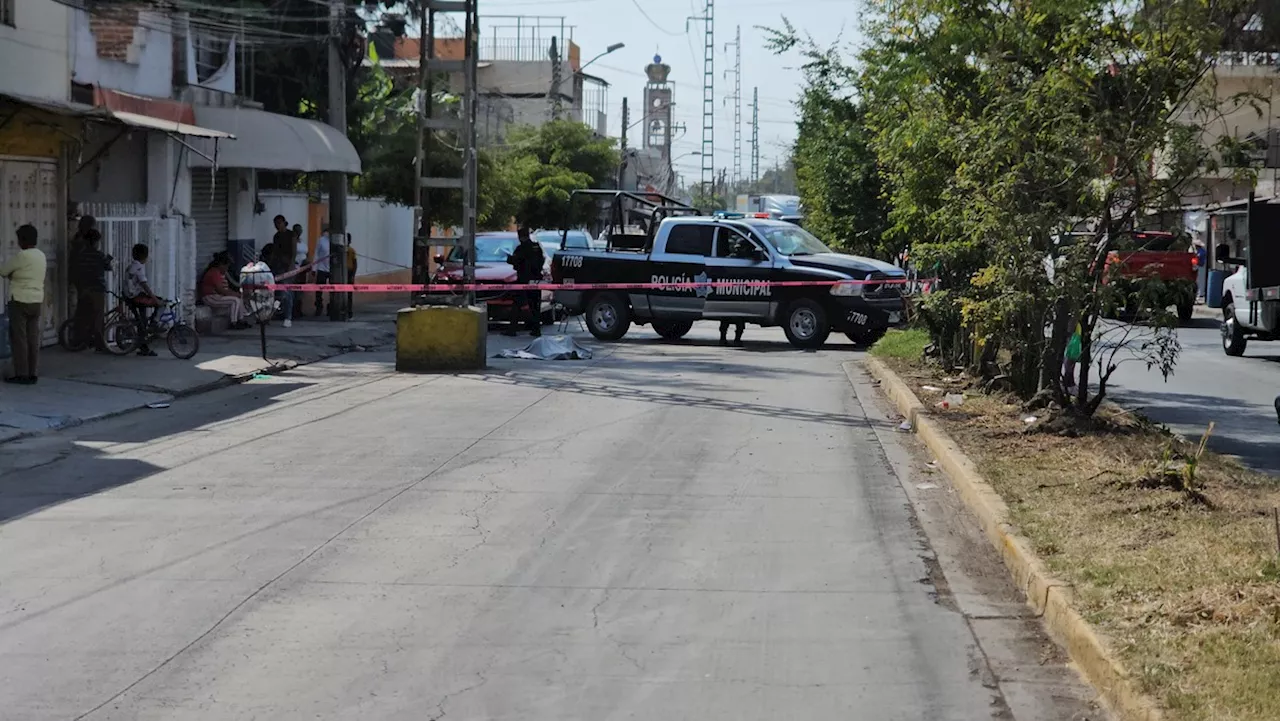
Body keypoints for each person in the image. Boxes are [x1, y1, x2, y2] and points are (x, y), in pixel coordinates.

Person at [1, 225, 47, 384]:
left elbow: (3, 271)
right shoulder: (41, 255)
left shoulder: (22, 256)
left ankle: (21, 374)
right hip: (36, 301)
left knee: (19, 338)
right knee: (33, 338)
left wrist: (13, 275)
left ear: (23, 240)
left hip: (20, 300)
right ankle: (33, 373)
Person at [71, 228, 112, 350]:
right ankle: (100, 344)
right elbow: (107, 267)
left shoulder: (80, 255)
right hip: (97, 289)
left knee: (82, 316)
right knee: (98, 318)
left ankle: (79, 340)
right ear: (95, 242)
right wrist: (109, 259)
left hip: (84, 289)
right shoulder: (99, 255)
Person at [124, 244, 164, 356]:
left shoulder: (131, 266)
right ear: (145, 256)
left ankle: (143, 347)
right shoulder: (139, 268)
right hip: (135, 297)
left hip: (129, 296)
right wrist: (155, 299)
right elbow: (144, 285)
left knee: (142, 321)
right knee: (161, 304)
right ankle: (154, 324)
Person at [505, 225, 545, 337]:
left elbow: (516, 262)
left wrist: (509, 259)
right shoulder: (536, 247)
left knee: (517, 303)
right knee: (535, 305)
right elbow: (541, 260)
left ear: (520, 237)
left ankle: (512, 329)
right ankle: (536, 329)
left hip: (523, 281)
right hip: (536, 280)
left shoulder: (521, 249)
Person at [200, 252, 251, 331]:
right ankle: (233, 322)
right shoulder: (214, 273)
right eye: (226, 266)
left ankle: (241, 320)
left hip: (217, 296)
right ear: (221, 265)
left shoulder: (220, 274)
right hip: (210, 297)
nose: (227, 269)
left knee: (238, 299)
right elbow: (221, 290)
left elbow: (226, 289)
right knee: (235, 300)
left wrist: (237, 294)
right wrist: (235, 295)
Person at [265, 215, 296, 328]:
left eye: (279, 223)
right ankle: (270, 314)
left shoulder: (291, 234)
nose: (277, 226)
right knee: (275, 292)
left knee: (287, 292)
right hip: (277, 266)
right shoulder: (276, 236)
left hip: (287, 266)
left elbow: (294, 252)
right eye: (275, 224)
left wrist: (291, 267)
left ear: (284, 223)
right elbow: (274, 252)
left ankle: (288, 317)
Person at [312, 224, 332, 316]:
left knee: (334, 289)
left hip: (333, 269)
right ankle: (319, 306)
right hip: (322, 268)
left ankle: (331, 306)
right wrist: (314, 268)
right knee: (319, 289)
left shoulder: (336, 240)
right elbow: (316, 254)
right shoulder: (322, 240)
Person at [344, 232, 358, 320]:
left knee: (349, 295)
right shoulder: (340, 250)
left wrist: (353, 275)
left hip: (349, 272)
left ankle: (349, 312)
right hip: (342, 273)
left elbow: (355, 263)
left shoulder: (351, 250)